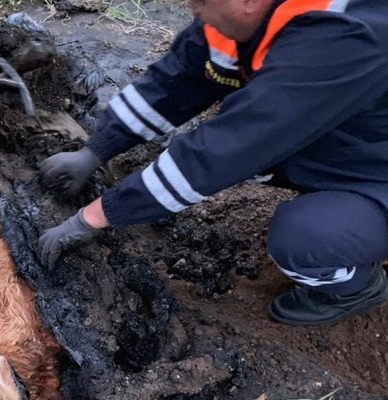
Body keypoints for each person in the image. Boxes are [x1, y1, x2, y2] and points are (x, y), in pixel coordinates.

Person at [38, 0, 388, 328]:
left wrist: (94, 217)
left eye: (202, 1)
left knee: (305, 240)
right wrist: (96, 150)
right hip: (358, 141)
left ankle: (356, 287)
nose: (193, 9)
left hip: (376, 172)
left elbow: (226, 149)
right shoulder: (251, 13)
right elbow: (177, 80)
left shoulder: (341, 39)